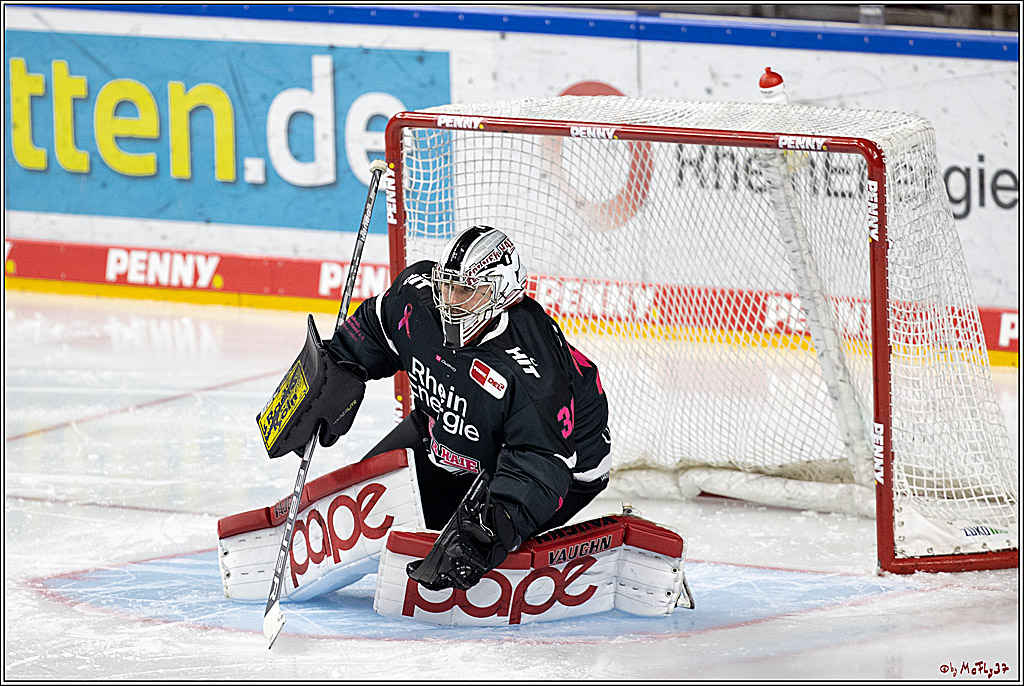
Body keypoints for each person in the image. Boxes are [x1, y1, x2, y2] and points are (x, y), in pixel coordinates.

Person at [261, 225, 611, 592]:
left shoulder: (533, 374)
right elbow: (376, 329)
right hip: (443, 429)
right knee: (357, 514)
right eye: (447, 286)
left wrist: (491, 531)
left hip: (560, 467)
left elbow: (541, 463)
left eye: (467, 291)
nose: (450, 301)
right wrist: (335, 372)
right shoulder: (417, 297)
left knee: (463, 549)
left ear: (502, 292)